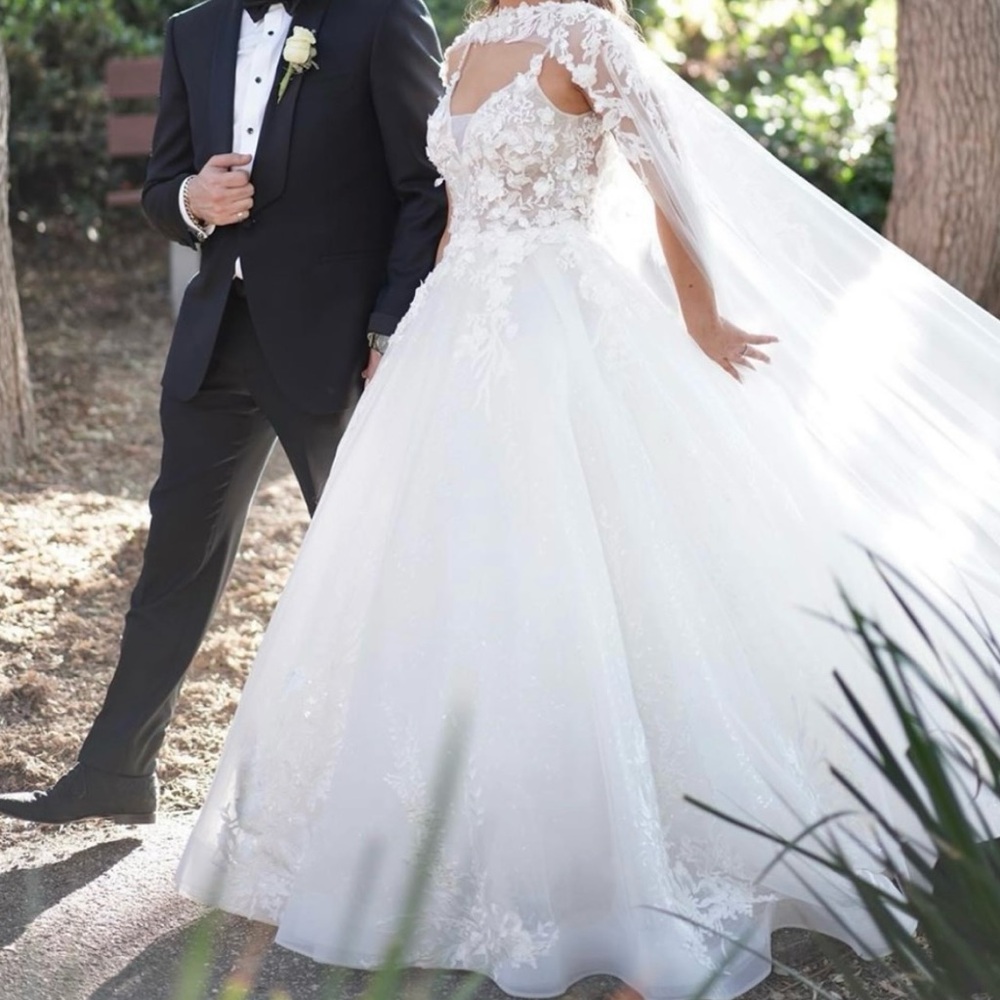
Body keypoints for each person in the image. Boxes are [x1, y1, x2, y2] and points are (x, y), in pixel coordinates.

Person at [171, 1, 1000, 995]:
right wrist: (406, 337)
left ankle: (597, 854)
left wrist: (701, 318)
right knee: (444, 571)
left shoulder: (589, 38)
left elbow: (668, 178)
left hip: (555, 320)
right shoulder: (468, 43)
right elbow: (457, 210)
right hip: (455, 326)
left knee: (573, 557)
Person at [0, 0, 447, 825]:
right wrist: (192, 199)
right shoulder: (193, 30)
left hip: (340, 344)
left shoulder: (381, 18)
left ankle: (428, 797)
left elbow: (425, 186)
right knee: (175, 558)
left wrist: (390, 325)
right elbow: (159, 189)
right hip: (218, 338)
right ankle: (117, 774)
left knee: (376, 560)